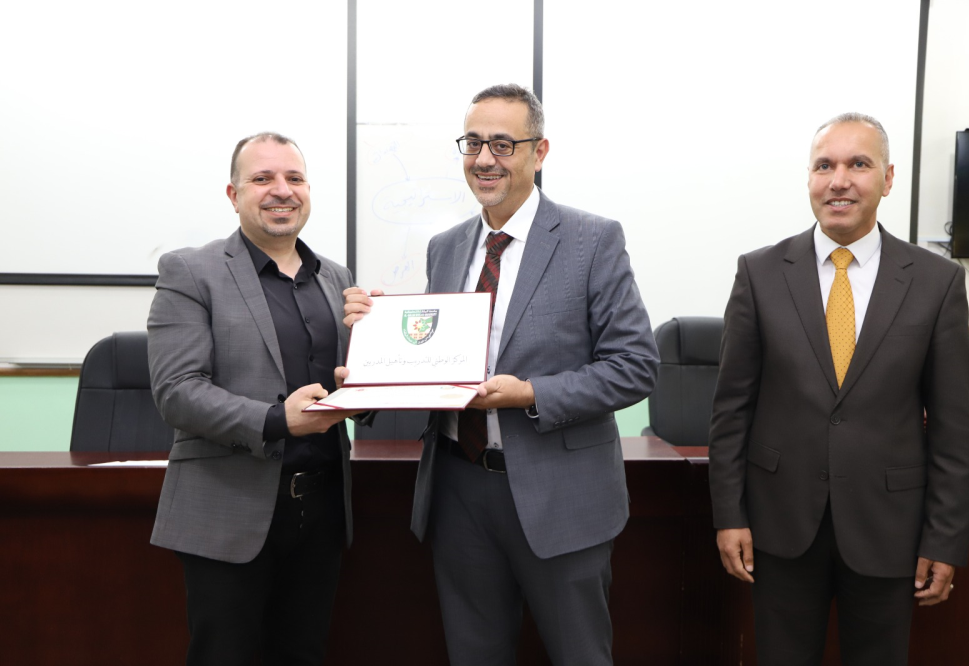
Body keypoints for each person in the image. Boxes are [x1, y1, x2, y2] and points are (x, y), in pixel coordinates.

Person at [345, 84, 659, 665]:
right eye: (473, 143)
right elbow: (438, 361)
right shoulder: (446, 246)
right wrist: (377, 354)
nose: (484, 159)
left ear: (540, 152)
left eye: (502, 144)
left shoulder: (592, 239)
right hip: (459, 490)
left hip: (560, 494)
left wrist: (529, 394)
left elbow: (635, 365)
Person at [709, 113, 969, 665]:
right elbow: (731, 410)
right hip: (780, 527)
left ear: (888, 178)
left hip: (890, 530)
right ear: (809, 177)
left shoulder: (937, 282)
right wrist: (729, 514)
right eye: (824, 166)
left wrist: (945, 539)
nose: (839, 181)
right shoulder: (759, 273)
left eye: (859, 164)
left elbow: (952, 430)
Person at [148, 132, 365, 666]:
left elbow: (346, 385)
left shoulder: (336, 278)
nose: (281, 191)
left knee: (305, 653)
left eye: (294, 178)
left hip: (320, 512)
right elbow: (177, 391)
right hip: (228, 510)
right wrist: (276, 420)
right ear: (234, 193)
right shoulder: (190, 271)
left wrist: (373, 370)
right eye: (263, 178)